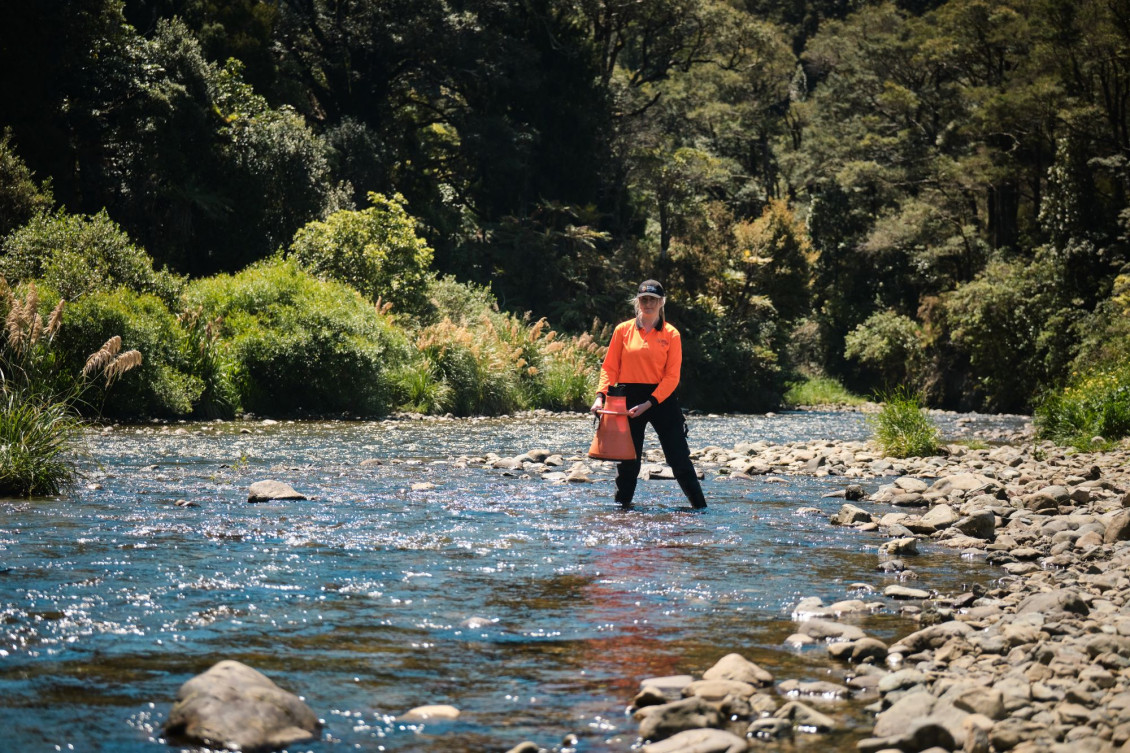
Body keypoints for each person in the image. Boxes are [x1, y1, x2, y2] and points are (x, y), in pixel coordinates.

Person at [590, 280, 706, 509]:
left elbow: (672, 377)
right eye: (644, 299)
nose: (648, 303)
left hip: (661, 399)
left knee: (679, 459)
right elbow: (609, 367)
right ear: (638, 302)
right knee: (628, 463)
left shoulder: (672, 334)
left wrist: (650, 402)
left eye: (653, 299)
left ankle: (701, 510)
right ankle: (622, 511)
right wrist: (600, 396)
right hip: (628, 398)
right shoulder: (623, 330)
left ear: (662, 302)